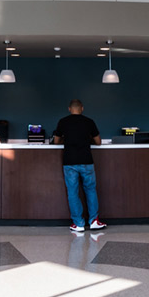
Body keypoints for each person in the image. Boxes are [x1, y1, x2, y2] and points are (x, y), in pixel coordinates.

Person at [52, 99, 105, 232]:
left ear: (69, 109)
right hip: (86, 161)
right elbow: (99, 142)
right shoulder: (89, 122)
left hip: (69, 162)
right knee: (90, 190)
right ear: (82, 108)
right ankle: (94, 221)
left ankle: (79, 224)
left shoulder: (63, 122)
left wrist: (67, 138)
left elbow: (56, 141)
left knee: (73, 192)